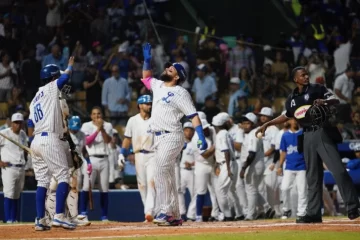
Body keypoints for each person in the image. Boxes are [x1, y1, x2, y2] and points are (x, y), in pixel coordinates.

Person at [256, 66, 360, 223]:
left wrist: (324, 101)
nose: (306, 77)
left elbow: (335, 100)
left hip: (322, 131)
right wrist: (268, 124)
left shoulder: (317, 89)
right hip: (306, 135)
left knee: (338, 170)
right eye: (302, 75)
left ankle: (353, 206)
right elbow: (287, 115)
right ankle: (313, 213)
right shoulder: (291, 99)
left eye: (306, 74)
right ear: (295, 79)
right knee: (312, 177)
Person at [141, 43, 207, 226]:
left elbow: (193, 115)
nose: (167, 68)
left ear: (177, 76)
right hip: (159, 137)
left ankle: (165, 211)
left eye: (171, 68)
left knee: (160, 170)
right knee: (167, 174)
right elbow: (146, 78)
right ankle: (176, 215)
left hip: (172, 135)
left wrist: (200, 136)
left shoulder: (180, 92)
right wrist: (147, 60)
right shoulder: (159, 85)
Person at [29, 58, 76, 230]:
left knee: (42, 181)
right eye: (56, 75)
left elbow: (29, 123)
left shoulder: (34, 99)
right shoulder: (50, 88)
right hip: (50, 138)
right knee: (63, 176)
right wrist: (70, 66)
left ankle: (40, 220)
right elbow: (64, 79)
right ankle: (59, 216)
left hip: (37, 140)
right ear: (52, 78)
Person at [118, 95, 156, 222]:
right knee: (142, 185)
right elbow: (127, 139)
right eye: (146, 104)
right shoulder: (132, 120)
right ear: (139, 105)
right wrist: (121, 153)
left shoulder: (155, 119)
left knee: (152, 182)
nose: (149, 106)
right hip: (138, 154)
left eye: (150, 103)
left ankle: (149, 211)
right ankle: (148, 212)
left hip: (152, 154)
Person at [79, 107, 113, 221]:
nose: (96, 116)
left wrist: (102, 129)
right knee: (87, 186)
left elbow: (108, 140)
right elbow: (87, 142)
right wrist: (98, 130)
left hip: (104, 158)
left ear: (102, 115)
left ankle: (104, 216)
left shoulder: (108, 125)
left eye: (99, 114)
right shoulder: (86, 126)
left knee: (104, 188)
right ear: (91, 115)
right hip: (91, 158)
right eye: (94, 114)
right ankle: (83, 213)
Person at [239, 113, 273, 220]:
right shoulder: (252, 133)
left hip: (253, 164)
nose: (244, 125)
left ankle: (251, 215)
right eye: (243, 123)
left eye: (247, 123)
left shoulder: (253, 134)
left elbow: (252, 153)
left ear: (252, 124)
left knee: (251, 190)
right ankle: (267, 208)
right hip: (256, 164)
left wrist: (244, 168)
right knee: (253, 189)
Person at [212, 112, 242, 221]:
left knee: (220, 190)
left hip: (227, 164)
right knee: (230, 190)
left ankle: (228, 215)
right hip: (228, 163)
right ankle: (239, 213)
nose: (230, 123)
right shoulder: (225, 133)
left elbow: (226, 151)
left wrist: (228, 168)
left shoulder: (222, 133)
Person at [277, 118, 307, 219]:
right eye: (293, 120)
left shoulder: (304, 133)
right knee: (284, 188)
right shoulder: (285, 135)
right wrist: (280, 166)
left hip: (302, 166)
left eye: (297, 120)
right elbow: (283, 152)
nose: (295, 122)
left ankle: (302, 212)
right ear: (289, 121)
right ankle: (286, 209)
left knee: (302, 190)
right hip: (289, 166)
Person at [0, 113, 27, 223]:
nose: (18, 125)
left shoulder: (23, 134)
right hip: (9, 167)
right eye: (16, 122)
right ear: (11, 123)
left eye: (20, 122)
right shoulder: (3, 133)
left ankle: (14, 219)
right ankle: (8, 219)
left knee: (16, 194)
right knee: (9, 193)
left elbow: (24, 150)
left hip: (21, 167)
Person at [257, 107, 280, 217]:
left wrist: (273, 162)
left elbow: (275, 148)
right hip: (262, 162)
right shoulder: (261, 128)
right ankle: (268, 211)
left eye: (265, 116)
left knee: (272, 189)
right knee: (263, 188)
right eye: (261, 115)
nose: (262, 117)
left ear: (270, 117)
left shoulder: (274, 129)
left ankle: (276, 212)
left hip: (271, 162)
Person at [178, 122, 196, 221]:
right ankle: (182, 213)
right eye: (186, 130)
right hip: (181, 170)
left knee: (195, 193)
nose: (188, 132)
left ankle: (191, 215)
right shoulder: (179, 142)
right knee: (179, 191)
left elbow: (201, 158)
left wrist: (192, 164)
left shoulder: (196, 142)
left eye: (190, 130)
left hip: (192, 171)